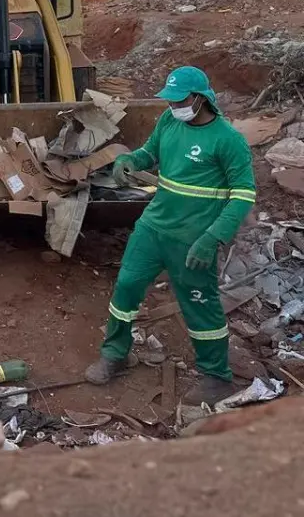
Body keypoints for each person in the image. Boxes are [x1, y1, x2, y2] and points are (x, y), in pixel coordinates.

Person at [84, 66, 255, 406]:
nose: (173, 105)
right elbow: (150, 153)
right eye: (170, 100)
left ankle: (216, 376)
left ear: (199, 98)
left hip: (193, 241)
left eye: (179, 100)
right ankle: (115, 354)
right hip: (153, 227)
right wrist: (129, 160)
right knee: (127, 286)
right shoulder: (169, 122)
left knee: (199, 304)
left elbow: (243, 195)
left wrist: (213, 238)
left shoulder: (228, 140)